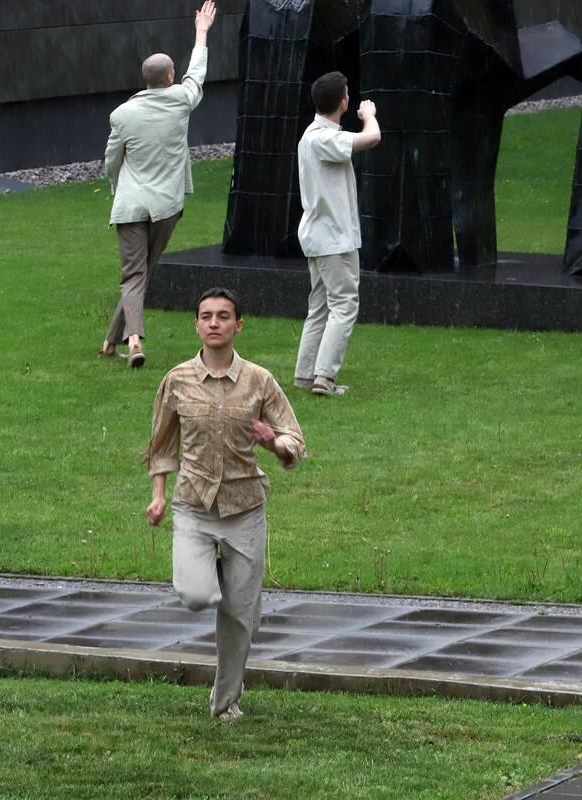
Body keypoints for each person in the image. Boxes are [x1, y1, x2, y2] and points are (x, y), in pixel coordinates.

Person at [143, 288, 306, 720]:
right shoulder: (177, 379)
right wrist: (158, 496)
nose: (214, 323)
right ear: (197, 325)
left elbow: (295, 440)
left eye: (223, 316)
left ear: (238, 325)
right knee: (196, 594)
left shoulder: (260, 380)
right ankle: (219, 578)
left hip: (244, 508)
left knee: (239, 616)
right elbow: (161, 445)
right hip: (194, 505)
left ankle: (225, 703)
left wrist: (274, 443)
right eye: (206, 316)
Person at [99, 1, 218, 368]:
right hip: (166, 206)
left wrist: (118, 187)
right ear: (169, 78)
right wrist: (201, 32)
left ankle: (120, 341)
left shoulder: (122, 115)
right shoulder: (181, 100)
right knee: (141, 273)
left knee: (135, 274)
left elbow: (111, 161)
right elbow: (196, 74)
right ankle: (126, 341)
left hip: (131, 205)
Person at [293, 71, 382, 396]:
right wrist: (369, 116)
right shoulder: (321, 138)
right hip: (332, 238)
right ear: (343, 102)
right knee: (344, 304)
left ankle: (306, 375)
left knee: (320, 306)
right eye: (347, 93)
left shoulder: (315, 135)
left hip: (321, 236)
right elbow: (372, 138)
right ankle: (324, 377)